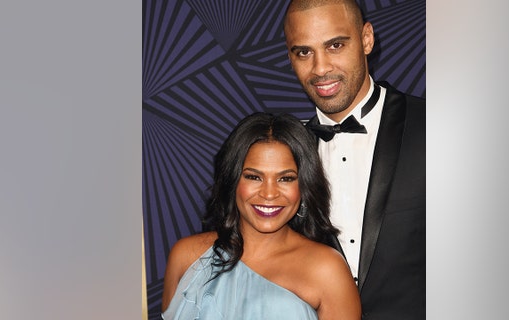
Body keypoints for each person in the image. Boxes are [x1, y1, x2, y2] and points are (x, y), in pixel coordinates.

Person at [284, 1, 426, 319]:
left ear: (366, 39)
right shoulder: (282, 153)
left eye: (335, 45)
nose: (320, 68)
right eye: (303, 52)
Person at [161, 112, 361, 319]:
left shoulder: (327, 270)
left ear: (304, 186)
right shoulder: (186, 256)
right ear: (233, 181)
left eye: (285, 179)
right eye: (254, 177)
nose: (269, 193)